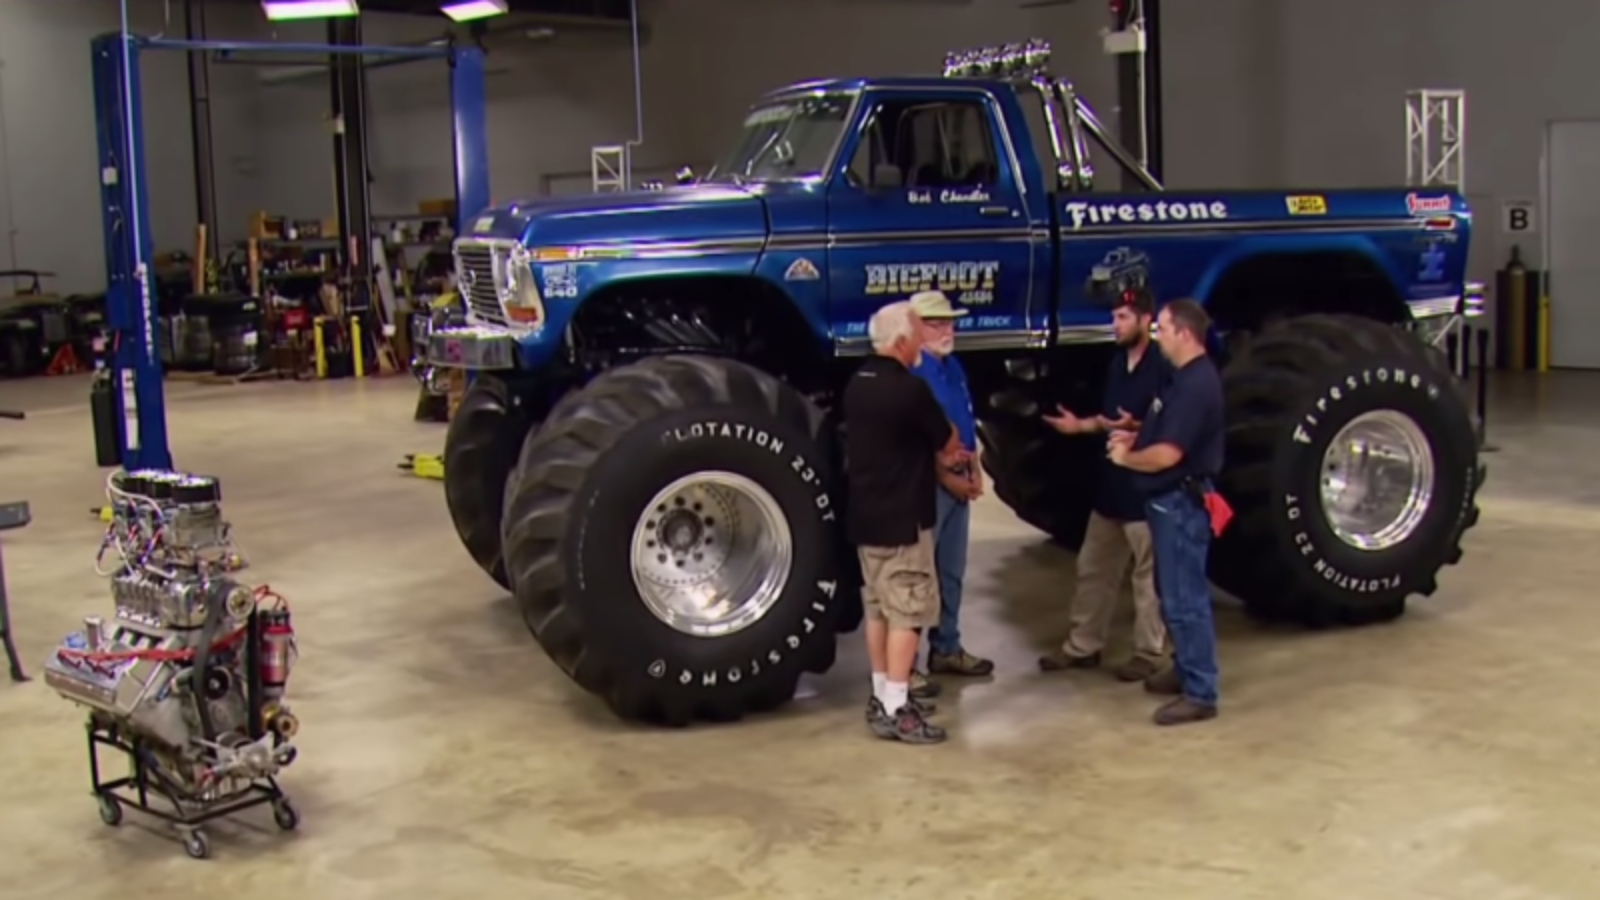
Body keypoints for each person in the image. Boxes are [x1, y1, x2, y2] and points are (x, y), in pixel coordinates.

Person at [842, 300, 969, 744]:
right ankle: (899, 707)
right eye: (917, 331)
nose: (920, 339)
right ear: (900, 340)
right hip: (903, 521)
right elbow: (947, 440)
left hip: (866, 517)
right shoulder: (909, 390)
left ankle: (881, 696)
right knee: (908, 613)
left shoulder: (857, 383)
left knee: (878, 608)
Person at [1037, 288, 1169, 682]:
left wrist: (1139, 428)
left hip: (1145, 490)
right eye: (1115, 318)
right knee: (1094, 567)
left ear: (1147, 320)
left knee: (1148, 576)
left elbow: (1176, 427)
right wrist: (1081, 426)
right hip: (1111, 489)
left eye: (1124, 317)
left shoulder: (1164, 367)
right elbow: (1112, 420)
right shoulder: (1116, 364)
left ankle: (1149, 652)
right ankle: (1083, 646)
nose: (1117, 325)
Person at [1106, 298, 1226, 726]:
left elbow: (1167, 454)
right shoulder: (1182, 379)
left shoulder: (1196, 385)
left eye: (1164, 329)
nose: (1159, 337)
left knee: (1184, 600)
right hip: (1166, 503)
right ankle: (1185, 666)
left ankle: (1201, 691)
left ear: (1185, 333)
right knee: (1170, 591)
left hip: (1179, 503)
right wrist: (1140, 430)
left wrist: (1125, 457)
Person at [907, 290, 994, 678]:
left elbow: (966, 417)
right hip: (930, 485)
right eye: (936, 323)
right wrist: (947, 478)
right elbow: (912, 440)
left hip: (958, 479)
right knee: (918, 574)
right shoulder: (913, 373)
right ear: (915, 328)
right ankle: (904, 665)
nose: (947, 329)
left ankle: (947, 646)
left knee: (951, 571)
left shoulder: (952, 366)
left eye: (949, 321)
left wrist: (973, 469)